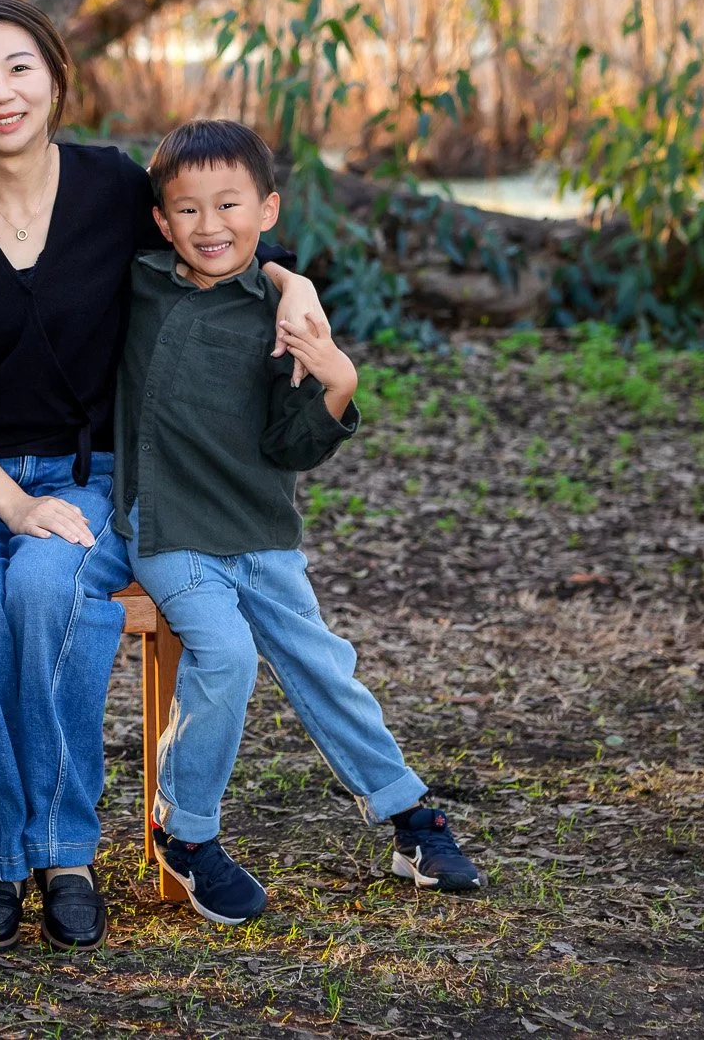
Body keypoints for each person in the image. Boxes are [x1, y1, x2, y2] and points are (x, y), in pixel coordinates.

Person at [0, 0, 329, 953]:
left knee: (52, 590)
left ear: (54, 78)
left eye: (19, 68)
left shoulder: (111, 187)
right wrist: (9, 501)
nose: (0, 91)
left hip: (88, 473)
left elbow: (218, 239)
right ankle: (1, 856)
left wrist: (294, 282)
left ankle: (68, 849)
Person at [119, 118, 483, 929]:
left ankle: (409, 818)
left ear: (268, 207)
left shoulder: (283, 318)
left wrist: (336, 381)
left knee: (325, 662)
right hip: (168, 524)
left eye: (229, 205)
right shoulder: (139, 283)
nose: (210, 226)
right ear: (160, 220)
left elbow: (291, 444)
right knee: (225, 651)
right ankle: (186, 830)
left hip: (258, 525)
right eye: (187, 210)